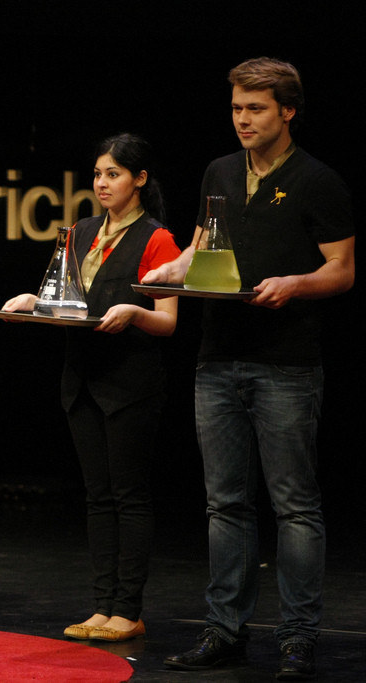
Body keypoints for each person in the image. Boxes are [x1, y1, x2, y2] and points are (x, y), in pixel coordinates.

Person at [143, 58, 354, 679]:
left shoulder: (318, 180)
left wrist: (296, 282)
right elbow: (203, 248)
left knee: (293, 504)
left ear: (287, 110)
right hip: (219, 359)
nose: (243, 119)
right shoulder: (220, 172)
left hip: (285, 363)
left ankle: (297, 637)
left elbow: (342, 270)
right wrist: (168, 273)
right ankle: (225, 631)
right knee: (224, 503)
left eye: (256, 108)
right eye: (237, 107)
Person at [3, 133, 180, 642]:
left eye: (114, 175)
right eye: (98, 174)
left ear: (140, 180)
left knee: (129, 495)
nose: (102, 183)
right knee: (97, 497)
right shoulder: (79, 231)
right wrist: (32, 304)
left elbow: (167, 322)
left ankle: (128, 607)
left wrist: (135, 312)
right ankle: (103, 606)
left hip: (130, 381)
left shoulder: (157, 238)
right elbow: (62, 300)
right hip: (81, 378)